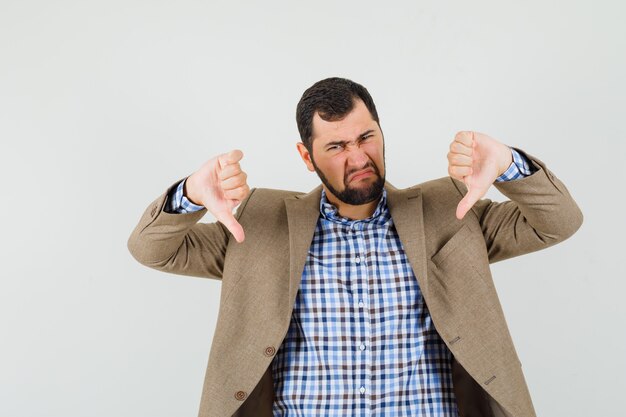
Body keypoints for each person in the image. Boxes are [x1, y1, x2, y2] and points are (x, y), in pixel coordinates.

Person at [127, 77, 583, 417]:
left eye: (366, 137)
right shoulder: (260, 224)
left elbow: (558, 222)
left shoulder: (450, 207)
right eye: (337, 146)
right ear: (306, 157)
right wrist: (188, 195)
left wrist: (509, 166)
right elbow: (152, 249)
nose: (358, 157)